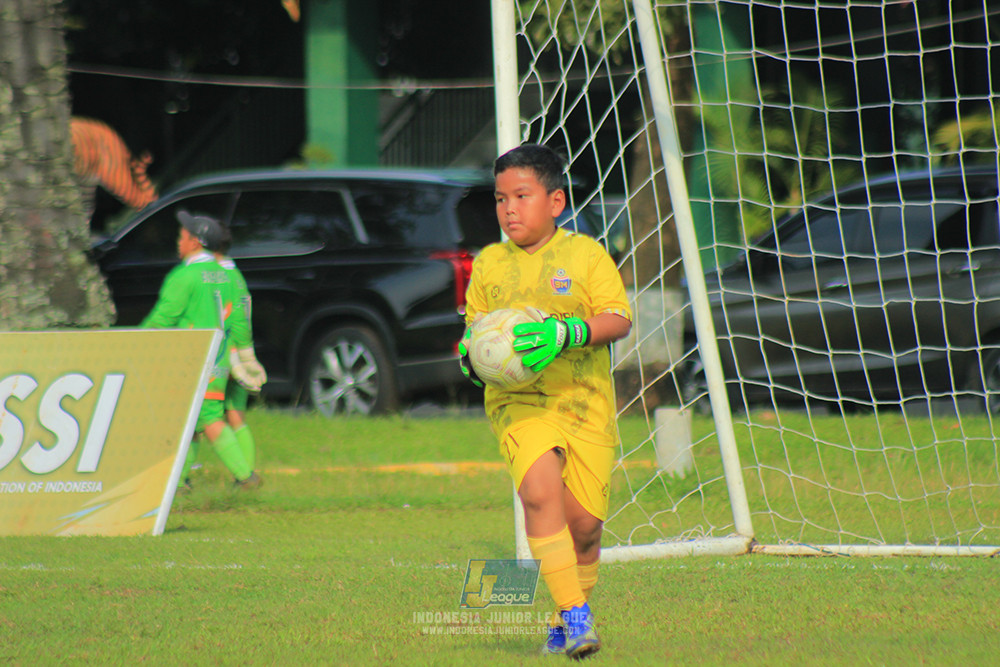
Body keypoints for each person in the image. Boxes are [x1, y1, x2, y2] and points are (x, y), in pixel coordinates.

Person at [459, 144, 632, 659]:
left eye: (521, 196)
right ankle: (578, 618)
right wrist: (472, 358)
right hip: (518, 403)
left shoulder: (585, 255)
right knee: (538, 492)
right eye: (499, 199)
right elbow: (473, 333)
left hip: (584, 402)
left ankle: (561, 617)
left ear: (555, 202)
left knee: (584, 530)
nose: (508, 208)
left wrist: (566, 332)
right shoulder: (488, 264)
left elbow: (618, 319)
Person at [141, 209, 262, 490]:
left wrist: (139, 341)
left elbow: (163, 318)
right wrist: (245, 354)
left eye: (182, 235)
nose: (178, 241)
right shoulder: (227, 275)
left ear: (195, 242)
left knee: (207, 417)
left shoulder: (184, 276)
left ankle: (246, 477)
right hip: (218, 357)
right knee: (191, 420)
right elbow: (240, 319)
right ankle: (180, 482)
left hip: (192, 359)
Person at [213, 226, 267, 473]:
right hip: (240, 352)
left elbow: (227, 317)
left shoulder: (219, 278)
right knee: (236, 417)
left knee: (202, 420)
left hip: (224, 354)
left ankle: (182, 482)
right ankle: (247, 473)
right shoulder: (237, 276)